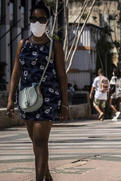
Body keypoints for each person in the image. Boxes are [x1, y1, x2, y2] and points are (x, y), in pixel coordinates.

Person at [6, 1, 68, 181]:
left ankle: (39, 179)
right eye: (34, 19)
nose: (37, 22)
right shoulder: (22, 44)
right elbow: (15, 73)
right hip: (26, 99)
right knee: (35, 143)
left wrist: (64, 104)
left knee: (41, 141)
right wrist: (11, 99)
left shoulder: (54, 45)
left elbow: (62, 77)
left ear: (48, 22)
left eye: (41, 19)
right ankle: (47, 176)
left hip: (48, 99)